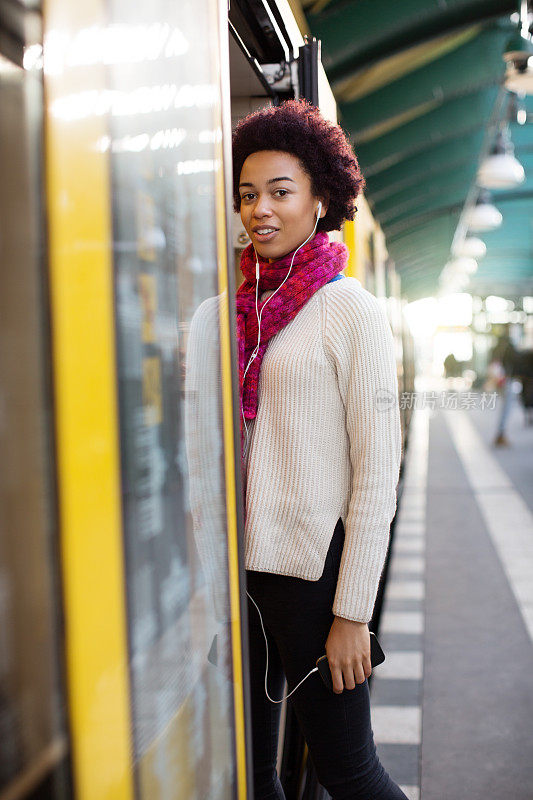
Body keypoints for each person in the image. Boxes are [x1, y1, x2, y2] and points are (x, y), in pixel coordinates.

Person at [233, 99, 406, 800]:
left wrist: (351, 615)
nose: (260, 211)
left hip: (310, 580)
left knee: (348, 772)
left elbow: (376, 472)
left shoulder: (349, 310)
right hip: (232, 581)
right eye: (248, 195)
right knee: (253, 775)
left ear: (318, 200)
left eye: (279, 192)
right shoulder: (226, 309)